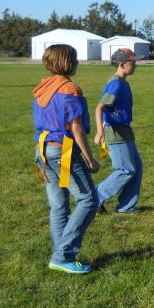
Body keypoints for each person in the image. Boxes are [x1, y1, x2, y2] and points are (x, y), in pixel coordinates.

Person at [33, 44, 100, 274]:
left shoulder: (43, 86)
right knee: (89, 199)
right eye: (75, 58)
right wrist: (90, 158)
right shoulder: (70, 89)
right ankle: (63, 255)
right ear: (67, 62)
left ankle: (59, 252)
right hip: (63, 151)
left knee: (59, 205)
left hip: (43, 151)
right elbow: (76, 127)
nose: (78, 62)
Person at [94, 48, 143, 214]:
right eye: (132, 62)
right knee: (125, 170)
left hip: (124, 130)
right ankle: (94, 198)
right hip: (114, 132)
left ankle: (126, 206)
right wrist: (100, 132)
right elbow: (100, 108)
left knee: (136, 167)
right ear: (122, 65)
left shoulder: (122, 82)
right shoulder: (115, 83)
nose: (135, 65)